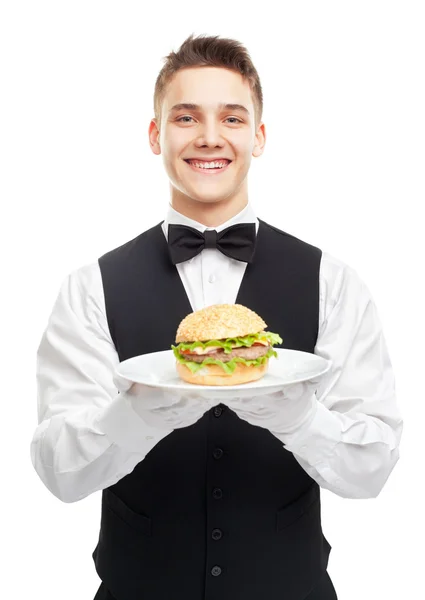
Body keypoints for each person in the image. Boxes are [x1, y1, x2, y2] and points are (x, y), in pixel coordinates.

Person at [30, 33, 403, 600]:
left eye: (232, 118)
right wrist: (138, 414)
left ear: (258, 135)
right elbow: (60, 473)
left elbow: (372, 470)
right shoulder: (90, 287)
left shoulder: (334, 281)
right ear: (156, 135)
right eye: (185, 117)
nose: (209, 137)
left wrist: (300, 418)